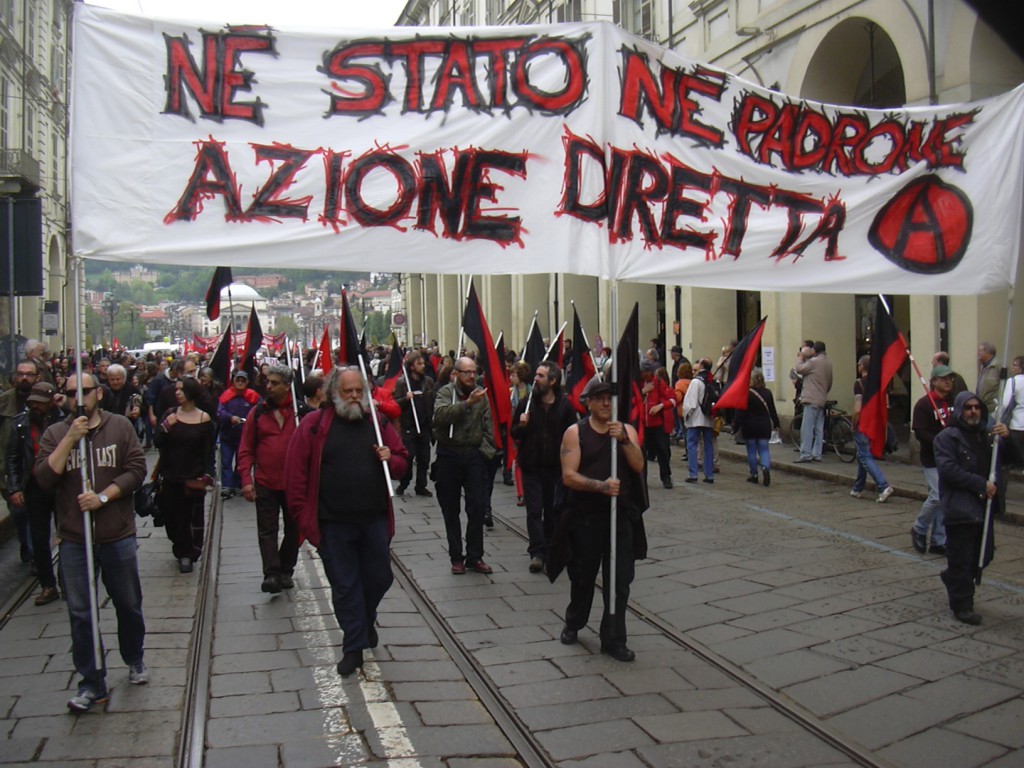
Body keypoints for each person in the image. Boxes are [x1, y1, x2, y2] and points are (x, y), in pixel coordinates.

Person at [34, 371, 148, 711]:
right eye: (71, 393)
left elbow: (136, 470)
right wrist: (71, 439)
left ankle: (134, 657)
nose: (78, 399)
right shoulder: (57, 433)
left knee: (127, 603)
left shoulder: (120, 427)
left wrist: (103, 497)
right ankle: (91, 682)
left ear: (97, 393)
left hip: (116, 534)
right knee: (81, 613)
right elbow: (43, 478)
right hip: (74, 538)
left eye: (84, 391)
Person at [284, 366, 408, 676]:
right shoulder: (314, 426)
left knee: (380, 577)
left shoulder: (377, 424)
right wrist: (304, 519)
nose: (354, 397)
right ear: (333, 394)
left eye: (359, 391)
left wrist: (389, 458)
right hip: (333, 522)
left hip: (373, 519)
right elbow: (296, 476)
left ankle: (364, 621)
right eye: (347, 391)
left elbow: (403, 463)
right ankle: (354, 646)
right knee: (344, 585)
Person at [555, 378, 646, 662]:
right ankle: (574, 621)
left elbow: (638, 465)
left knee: (619, 581)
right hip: (587, 518)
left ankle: (614, 638)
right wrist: (601, 486)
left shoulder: (626, 430)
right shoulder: (575, 432)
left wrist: (624, 440)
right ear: (589, 402)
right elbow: (569, 476)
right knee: (583, 577)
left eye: (610, 398)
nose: (606, 403)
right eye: (600, 398)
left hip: (620, 518)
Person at [934, 391, 1017, 625]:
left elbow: (1011, 459)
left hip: (984, 506)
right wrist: (981, 484)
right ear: (960, 411)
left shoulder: (987, 435)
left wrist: (1008, 438)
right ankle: (962, 604)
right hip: (961, 508)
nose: (973, 412)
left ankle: (952, 578)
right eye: (968, 408)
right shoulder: (947, 437)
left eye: (976, 408)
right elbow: (949, 470)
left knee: (984, 554)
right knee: (962, 558)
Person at [237, 364, 311, 593]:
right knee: (266, 530)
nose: (268, 386)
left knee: (294, 528)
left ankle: (286, 569)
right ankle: (271, 573)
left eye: (274, 383)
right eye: (268, 382)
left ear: (287, 386)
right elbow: (246, 448)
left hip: (295, 483)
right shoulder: (258, 412)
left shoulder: (303, 413)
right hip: (266, 481)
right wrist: (246, 479)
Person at [431, 356, 496, 575]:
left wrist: (486, 453)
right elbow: (439, 417)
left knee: (477, 506)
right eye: (466, 372)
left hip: (473, 455)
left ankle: (475, 556)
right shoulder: (445, 393)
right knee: (450, 508)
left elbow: (488, 425)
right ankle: (456, 556)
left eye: (473, 371)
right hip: (449, 455)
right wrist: (466, 404)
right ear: (456, 374)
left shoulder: (481, 394)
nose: (471, 376)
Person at [510, 361, 576, 574]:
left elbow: (573, 436)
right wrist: (521, 425)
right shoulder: (526, 404)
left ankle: (551, 549)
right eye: (536, 375)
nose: (535, 379)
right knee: (534, 510)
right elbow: (513, 433)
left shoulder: (565, 406)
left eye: (540, 376)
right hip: (531, 466)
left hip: (556, 468)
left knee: (552, 511)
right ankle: (537, 552)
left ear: (553, 381)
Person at [6, 382, 63, 605]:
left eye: (41, 403)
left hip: (59, 486)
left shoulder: (61, 421)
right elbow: (12, 458)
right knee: (39, 539)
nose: (36, 407)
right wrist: (14, 487)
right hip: (34, 487)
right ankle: (48, 584)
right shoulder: (20, 424)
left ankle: (68, 580)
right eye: (33, 403)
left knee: (66, 533)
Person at [154, 377, 215, 573]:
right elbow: (157, 441)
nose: (177, 393)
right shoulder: (170, 414)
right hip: (170, 474)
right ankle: (178, 545)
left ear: (191, 393)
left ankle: (187, 553)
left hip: (192, 476)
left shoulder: (203, 419)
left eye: (181, 390)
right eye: (176, 389)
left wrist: (207, 473)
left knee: (190, 517)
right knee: (172, 517)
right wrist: (166, 427)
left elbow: (208, 450)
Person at [1, 359, 45, 564]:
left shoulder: (45, 400)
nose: (24, 378)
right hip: (12, 469)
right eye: (21, 374)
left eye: (29, 374)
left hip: (39, 470)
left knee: (37, 517)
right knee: (19, 513)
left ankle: (37, 556)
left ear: (37, 377)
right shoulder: (4, 402)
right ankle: (28, 550)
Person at [910, 365, 955, 554]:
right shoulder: (924, 404)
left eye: (950, 379)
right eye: (944, 378)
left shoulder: (954, 401)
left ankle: (938, 539)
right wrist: (938, 441)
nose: (948, 382)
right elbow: (919, 431)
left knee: (945, 499)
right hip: (932, 457)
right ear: (934, 381)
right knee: (937, 496)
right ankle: (919, 528)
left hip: (951, 457)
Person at [847, 355, 894, 502]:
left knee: (865, 456)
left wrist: (854, 423)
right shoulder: (879, 384)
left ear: (862, 366)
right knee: (863, 455)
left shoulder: (859, 383)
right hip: (876, 422)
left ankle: (883, 485)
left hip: (863, 423)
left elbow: (857, 408)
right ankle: (857, 487)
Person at [392, 350, 434, 497]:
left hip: (424, 425)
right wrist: (405, 399)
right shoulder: (402, 383)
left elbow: (432, 402)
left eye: (423, 363)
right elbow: (395, 404)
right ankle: (404, 482)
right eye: (419, 363)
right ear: (411, 366)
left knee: (424, 458)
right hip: (409, 426)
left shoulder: (428, 382)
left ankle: (421, 485)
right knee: (408, 457)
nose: (423, 366)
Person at [217, 370, 261, 499]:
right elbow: (220, 412)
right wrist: (230, 418)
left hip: (245, 436)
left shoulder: (253, 396)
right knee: (226, 461)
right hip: (228, 435)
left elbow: (261, 409)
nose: (240, 383)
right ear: (233, 381)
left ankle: (238, 485)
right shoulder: (226, 396)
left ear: (247, 382)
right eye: (238, 380)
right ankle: (227, 486)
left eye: (243, 380)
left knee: (241, 462)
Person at [734, 369, 780, 486]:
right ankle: (765, 467)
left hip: (749, 425)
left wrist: (735, 426)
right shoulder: (767, 393)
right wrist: (776, 423)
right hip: (764, 425)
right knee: (764, 449)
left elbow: (740, 413)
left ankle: (754, 474)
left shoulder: (745, 393)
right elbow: (772, 410)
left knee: (751, 451)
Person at [795, 341, 833, 463]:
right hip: (821, 398)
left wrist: (801, 357)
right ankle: (817, 453)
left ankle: (806, 454)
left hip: (811, 398)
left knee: (807, 428)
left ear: (814, 351)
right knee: (818, 428)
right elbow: (830, 382)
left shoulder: (814, 362)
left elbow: (799, 369)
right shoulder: (828, 363)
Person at [682, 358, 716, 483]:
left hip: (695, 418)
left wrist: (686, 415)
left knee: (692, 445)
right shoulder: (711, 380)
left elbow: (690, 402)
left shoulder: (696, 381)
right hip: (708, 417)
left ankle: (693, 474)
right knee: (708, 446)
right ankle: (709, 474)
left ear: (701, 366)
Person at [976, 341, 1001, 417]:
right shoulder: (983, 367)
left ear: (988, 352)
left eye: (980, 351)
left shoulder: (998, 367)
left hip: (993, 410)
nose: (978, 353)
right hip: (982, 408)